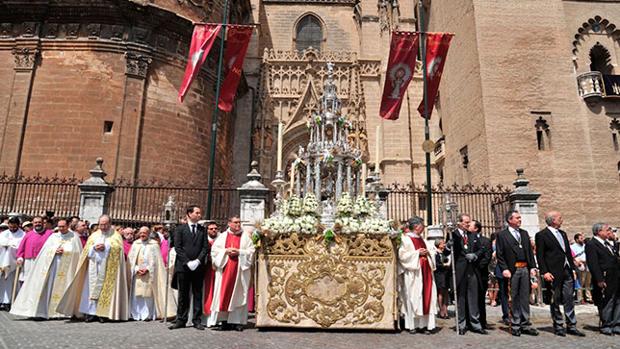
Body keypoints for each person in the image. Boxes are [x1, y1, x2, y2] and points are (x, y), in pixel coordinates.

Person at [56, 214, 129, 322]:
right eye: (101, 224)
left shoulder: (116, 235)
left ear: (110, 224)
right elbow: (87, 250)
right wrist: (94, 248)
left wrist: (107, 247)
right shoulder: (94, 235)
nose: (103, 227)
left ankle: (103, 314)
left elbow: (119, 249)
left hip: (108, 268)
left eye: (105, 224)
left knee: (105, 290)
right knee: (89, 290)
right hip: (93, 266)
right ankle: (90, 313)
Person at [10, 219, 82, 319]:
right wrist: (54, 250)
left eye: (63, 227)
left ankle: (61, 312)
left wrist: (66, 252)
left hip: (66, 270)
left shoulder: (74, 237)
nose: (61, 229)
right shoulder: (53, 236)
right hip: (52, 267)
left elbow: (77, 253)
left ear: (68, 226)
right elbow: (45, 251)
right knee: (49, 288)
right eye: (59, 227)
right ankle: (46, 311)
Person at [535, 211, 585, 337]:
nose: (562, 220)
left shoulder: (562, 233)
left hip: (567, 270)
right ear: (553, 220)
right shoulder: (542, 235)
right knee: (555, 299)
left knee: (569, 298)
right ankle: (558, 324)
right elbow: (540, 255)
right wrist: (544, 271)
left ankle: (571, 324)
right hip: (553, 271)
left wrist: (573, 269)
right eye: (559, 218)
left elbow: (567, 252)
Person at [207, 216, 255, 331]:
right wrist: (226, 251)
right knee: (223, 294)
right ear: (229, 223)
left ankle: (237, 322)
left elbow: (251, 251)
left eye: (239, 222)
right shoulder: (222, 237)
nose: (238, 225)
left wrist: (239, 252)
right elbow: (214, 251)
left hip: (239, 270)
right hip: (225, 271)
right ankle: (224, 321)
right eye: (235, 222)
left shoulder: (246, 237)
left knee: (238, 294)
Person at [496, 210, 538, 336]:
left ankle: (525, 323)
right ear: (510, 220)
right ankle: (515, 324)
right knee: (513, 297)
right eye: (517, 218)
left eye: (520, 218)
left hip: (524, 268)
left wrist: (532, 267)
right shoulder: (502, 235)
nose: (520, 220)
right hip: (512, 269)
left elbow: (529, 252)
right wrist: (504, 268)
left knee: (525, 296)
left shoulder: (524, 234)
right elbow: (500, 254)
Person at [169, 205, 210, 330]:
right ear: (189, 214)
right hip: (183, 267)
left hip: (198, 266)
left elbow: (205, 248)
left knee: (197, 293)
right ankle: (181, 319)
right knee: (183, 294)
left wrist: (198, 261)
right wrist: (187, 262)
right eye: (197, 213)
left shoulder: (202, 230)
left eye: (199, 213)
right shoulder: (180, 229)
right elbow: (178, 247)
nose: (199, 215)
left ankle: (196, 320)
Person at [398, 216, 438, 334]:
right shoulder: (405, 239)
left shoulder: (422, 239)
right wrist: (417, 253)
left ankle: (424, 325)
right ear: (416, 226)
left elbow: (431, 250)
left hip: (425, 273)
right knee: (413, 298)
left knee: (427, 298)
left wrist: (429, 252)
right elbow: (402, 256)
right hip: (413, 273)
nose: (423, 227)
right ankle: (412, 325)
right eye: (422, 225)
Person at [127, 227, 175, 321]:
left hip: (149, 274)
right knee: (137, 295)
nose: (142, 235)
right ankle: (136, 314)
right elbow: (131, 261)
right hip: (137, 274)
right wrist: (136, 269)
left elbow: (157, 262)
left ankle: (147, 315)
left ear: (149, 234)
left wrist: (148, 269)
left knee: (148, 295)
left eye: (144, 233)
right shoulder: (135, 244)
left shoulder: (154, 245)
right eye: (140, 233)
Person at [450, 214, 485, 335]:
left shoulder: (473, 235)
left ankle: (475, 323)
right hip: (460, 270)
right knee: (461, 298)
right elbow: (447, 251)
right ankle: (461, 324)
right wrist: (449, 246)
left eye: (469, 222)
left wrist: (475, 255)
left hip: (472, 270)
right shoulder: (452, 234)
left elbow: (481, 249)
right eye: (466, 222)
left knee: (473, 297)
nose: (468, 224)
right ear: (459, 223)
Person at [585, 223, 620, 336]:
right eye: (607, 229)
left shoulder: (608, 244)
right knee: (607, 301)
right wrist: (599, 279)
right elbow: (593, 263)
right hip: (604, 277)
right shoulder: (592, 244)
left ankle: (616, 324)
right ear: (599, 231)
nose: (609, 231)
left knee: (617, 300)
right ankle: (606, 324)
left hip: (615, 276)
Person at [16, 216, 53, 284]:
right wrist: (20, 257)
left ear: (43, 223)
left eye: (39, 222)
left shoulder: (50, 234)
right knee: (27, 281)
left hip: (43, 261)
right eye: (35, 222)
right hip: (29, 262)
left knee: (40, 281)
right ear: (33, 223)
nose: (37, 224)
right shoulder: (28, 234)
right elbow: (22, 247)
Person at [470, 219, 492, 330]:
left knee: (480, 299)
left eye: (470, 225)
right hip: (469, 274)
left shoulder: (486, 241)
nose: (468, 227)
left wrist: (476, 267)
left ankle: (482, 321)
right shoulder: (467, 240)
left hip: (480, 273)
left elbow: (487, 258)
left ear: (476, 228)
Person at [0, 217, 25, 311]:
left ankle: (8, 301)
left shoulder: (22, 234)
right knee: (2, 282)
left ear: (18, 225)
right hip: (2, 261)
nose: (12, 229)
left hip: (14, 263)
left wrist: (12, 248)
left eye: (14, 227)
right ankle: (1, 300)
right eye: (10, 227)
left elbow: (22, 247)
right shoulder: (4, 234)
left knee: (11, 282)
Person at [203, 221, 219, 317]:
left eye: (215, 228)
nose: (214, 230)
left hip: (218, 268)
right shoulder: (204, 240)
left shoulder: (221, 240)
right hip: (207, 268)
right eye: (211, 229)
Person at [571, 232, 591, 304]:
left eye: (583, 238)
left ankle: (588, 297)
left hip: (587, 265)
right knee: (580, 282)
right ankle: (580, 298)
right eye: (581, 238)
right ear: (576, 239)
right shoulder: (573, 247)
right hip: (580, 265)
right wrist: (578, 262)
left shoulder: (585, 246)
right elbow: (573, 257)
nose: (582, 239)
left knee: (588, 282)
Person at [433, 239, 450, 319]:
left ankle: (446, 309)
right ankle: (441, 310)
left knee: (446, 292)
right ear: (438, 245)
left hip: (446, 274)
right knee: (440, 292)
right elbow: (436, 264)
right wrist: (444, 265)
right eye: (443, 243)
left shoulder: (444, 253)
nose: (444, 244)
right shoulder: (436, 253)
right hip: (440, 275)